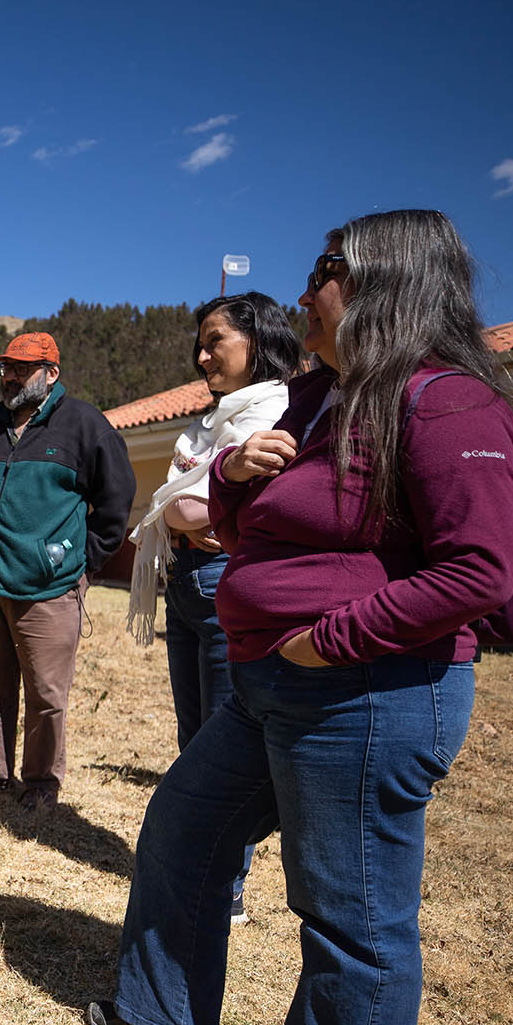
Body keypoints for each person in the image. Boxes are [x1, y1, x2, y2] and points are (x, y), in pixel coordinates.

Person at [92, 210, 513, 1025]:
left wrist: (329, 639)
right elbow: (242, 524)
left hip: (368, 692)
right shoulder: (315, 397)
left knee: (351, 920)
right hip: (272, 685)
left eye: (325, 268)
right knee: (185, 835)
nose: (303, 292)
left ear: (382, 283)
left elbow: (481, 571)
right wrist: (230, 470)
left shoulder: (449, 403)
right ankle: (160, 1021)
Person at [124, 292, 300, 923]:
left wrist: (185, 507)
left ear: (259, 342)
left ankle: (224, 890)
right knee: (193, 740)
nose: (202, 356)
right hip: (189, 585)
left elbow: (191, 507)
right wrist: (184, 508)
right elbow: (186, 505)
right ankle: (204, 870)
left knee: (221, 749)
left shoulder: (275, 410)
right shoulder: (215, 420)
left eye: (215, 341)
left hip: (227, 588)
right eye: (199, 344)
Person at [0, 332, 134, 807]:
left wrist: (78, 560)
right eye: (5, 368)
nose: (10, 377)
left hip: (48, 588)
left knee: (46, 693)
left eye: (21, 369)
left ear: (51, 373)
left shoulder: (86, 426)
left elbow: (115, 502)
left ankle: (42, 782)